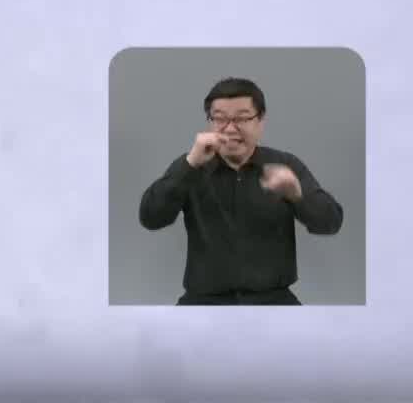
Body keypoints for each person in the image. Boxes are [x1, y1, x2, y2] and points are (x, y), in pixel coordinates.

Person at [137, 77, 343, 305]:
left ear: (261, 120)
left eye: (242, 118)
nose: (230, 128)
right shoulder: (191, 166)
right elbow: (151, 218)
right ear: (209, 122)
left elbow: (331, 223)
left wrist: (297, 196)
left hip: (273, 301)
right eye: (219, 119)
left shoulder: (285, 165)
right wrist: (189, 165)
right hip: (203, 302)